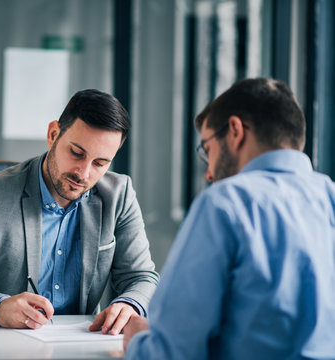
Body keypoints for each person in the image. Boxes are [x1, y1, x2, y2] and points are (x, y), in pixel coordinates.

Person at [0, 89, 159, 334]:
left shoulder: (119, 195)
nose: (83, 174)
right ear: (53, 134)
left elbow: (142, 278)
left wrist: (130, 303)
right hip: (0, 347)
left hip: (82, 347)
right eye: (76, 153)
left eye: (100, 163)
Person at [123, 78, 335, 359]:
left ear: (235, 131)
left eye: (208, 149)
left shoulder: (225, 202)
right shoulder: (329, 197)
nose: (209, 173)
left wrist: (138, 339)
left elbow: (173, 352)